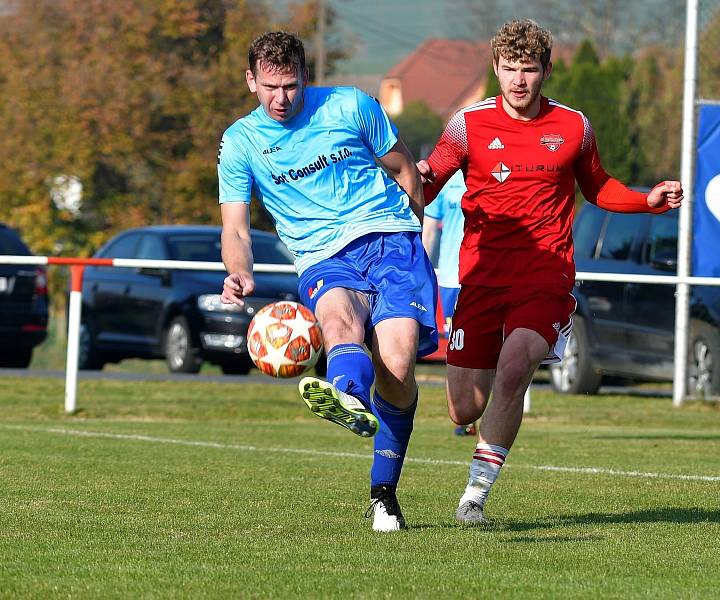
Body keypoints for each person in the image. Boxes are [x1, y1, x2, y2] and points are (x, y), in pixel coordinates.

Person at [417, 19, 683, 525]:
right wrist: (416, 178)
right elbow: (430, 182)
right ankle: (481, 430)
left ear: (546, 71)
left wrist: (647, 200)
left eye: (530, 69)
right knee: (462, 409)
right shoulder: (467, 124)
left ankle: (475, 493)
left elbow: (599, 187)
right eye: (510, 69)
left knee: (516, 365)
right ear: (496, 68)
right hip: (480, 277)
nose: (519, 80)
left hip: (547, 273)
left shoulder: (573, 126)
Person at [217, 31, 438, 532]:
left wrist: (415, 236)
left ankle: (384, 489)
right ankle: (348, 397)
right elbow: (235, 226)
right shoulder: (241, 142)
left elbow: (406, 170)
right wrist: (239, 270)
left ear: (306, 78)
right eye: (270, 86)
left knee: (399, 363)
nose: (281, 98)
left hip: (389, 238)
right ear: (251, 81)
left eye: (291, 85)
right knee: (339, 321)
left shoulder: (350, 106)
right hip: (321, 255)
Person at [421, 171, 476, 436]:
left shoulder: (492, 168)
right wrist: (419, 271)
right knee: (458, 345)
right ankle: (465, 413)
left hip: (484, 275)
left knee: (490, 344)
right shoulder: (445, 179)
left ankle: (486, 410)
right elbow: (430, 229)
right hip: (452, 277)